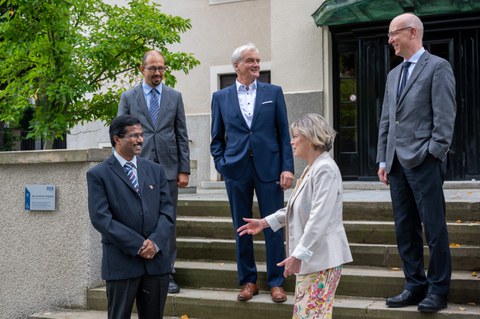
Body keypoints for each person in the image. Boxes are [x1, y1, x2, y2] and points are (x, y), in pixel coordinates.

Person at [377, 13, 456, 313]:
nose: (390, 40)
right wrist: (383, 158)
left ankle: (438, 289)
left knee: (434, 228)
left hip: (425, 161)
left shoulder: (438, 67)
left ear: (411, 32)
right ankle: (414, 285)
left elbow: (445, 118)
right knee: (404, 229)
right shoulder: (393, 75)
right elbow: (387, 119)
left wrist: (433, 153)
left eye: (392, 34)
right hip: (396, 165)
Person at [238, 113, 353, 318]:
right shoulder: (313, 168)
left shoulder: (325, 169)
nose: (291, 141)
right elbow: (296, 208)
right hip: (314, 260)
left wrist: (299, 255)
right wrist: (265, 222)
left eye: (295, 136)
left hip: (322, 260)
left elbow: (319, 218)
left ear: (310, 137)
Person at [210, 43, 294, 303]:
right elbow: (216, 138)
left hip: (269, 169)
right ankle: (248, 281)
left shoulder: (274, 92)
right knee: (242, 228)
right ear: (237, 66)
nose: (256, 64)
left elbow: (283, 134)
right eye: (250, 61)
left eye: (258, 60)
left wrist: (287, 167)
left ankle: (276, 282)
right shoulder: (220, 98)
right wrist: (222, 165)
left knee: (274, 226)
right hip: (236, 171)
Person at [87, 115, 175, 319]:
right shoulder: (98, 175)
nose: (140, 140)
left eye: (141, 135)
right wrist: (138, 245)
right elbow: (101, 218)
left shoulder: (155, 170)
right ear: (117, 139)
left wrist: (155, 242)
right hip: (121, 263)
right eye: (134, 135)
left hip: (156, 262)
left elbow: (167, 212)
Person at [117, 50, 190, 293]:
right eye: (152, 68)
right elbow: (120, 134)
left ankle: (167, 272)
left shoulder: (175, 96)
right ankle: (140, 269)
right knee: (138, 218)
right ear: (142, 69)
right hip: (138, 167)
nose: (158, 73)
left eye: (161, 68)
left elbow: (181, 134)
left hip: (168, 169)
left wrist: (184, 169)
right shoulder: (128, 97)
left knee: (167, 221)